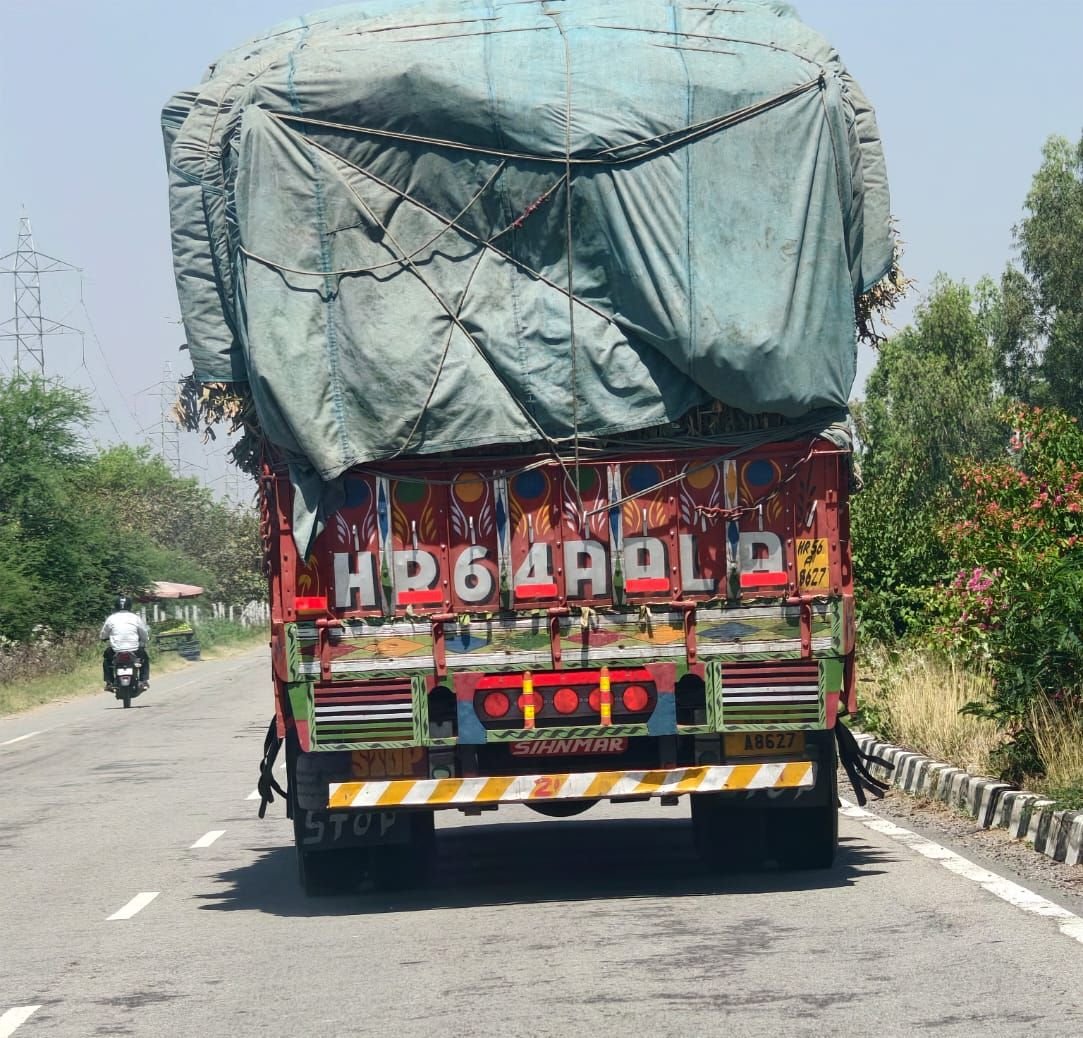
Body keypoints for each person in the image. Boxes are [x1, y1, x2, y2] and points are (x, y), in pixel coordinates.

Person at [101, 595, 150, 691]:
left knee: (107, 659)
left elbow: (103, 634)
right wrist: (145, 639)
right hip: (134, 649)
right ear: (129, 605)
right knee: (144, 658)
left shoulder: (111, 618)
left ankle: (109, 682)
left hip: (116, 650)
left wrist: (103, 638)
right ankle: (143, 681)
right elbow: (143, 633)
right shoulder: (135, 618)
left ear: (116, 606)